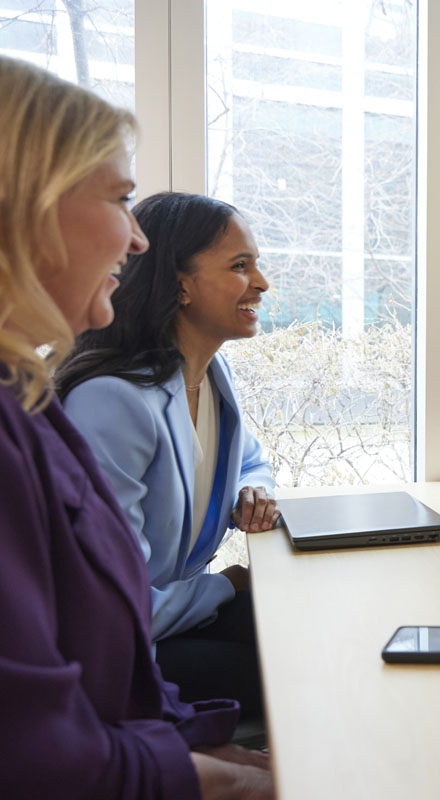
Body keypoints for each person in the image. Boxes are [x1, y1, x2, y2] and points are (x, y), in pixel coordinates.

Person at [0, 56, 272, 797]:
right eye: (121, 200)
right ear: (24, 206)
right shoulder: (85, 405)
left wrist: (191, 756)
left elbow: (248, 459)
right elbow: (36, 744)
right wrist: (215, 777)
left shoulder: (29, 403)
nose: (137, 238)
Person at [55, 191, 279, 719]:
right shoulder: (113, 403)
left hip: (174, 613)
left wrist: (256, 488)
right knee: (302, 664)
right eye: (240, 266)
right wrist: (224, 586)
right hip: (125, 646)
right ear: (180, 283)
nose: (262, 283)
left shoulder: (210, 378)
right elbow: (113, 606)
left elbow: (248, 459)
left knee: (311, 626)